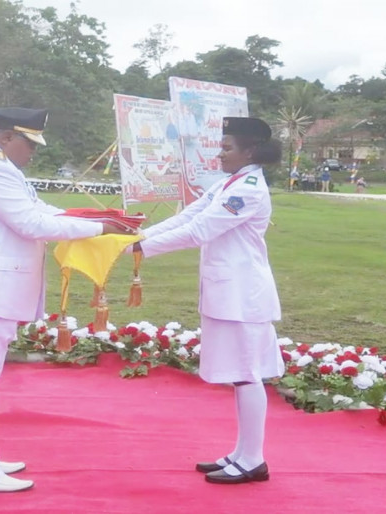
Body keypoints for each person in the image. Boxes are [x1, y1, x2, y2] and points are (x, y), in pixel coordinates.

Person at [0, 107, 132, 493]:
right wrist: (98, 227)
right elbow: (31, 223)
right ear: (8, 137)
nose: (34, 151)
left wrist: (93, 218)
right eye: (30, 143)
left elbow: (39, 210)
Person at [132, 117, 284, 485]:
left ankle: (253, 459)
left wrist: (141, 247)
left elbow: (201, 231)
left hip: (243, 297)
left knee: (248, 375)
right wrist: (137, 234)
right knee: (241, 375)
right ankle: (241, 452)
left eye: (227, 147)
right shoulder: (230, 183)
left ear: (250, 151)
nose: (219, 154)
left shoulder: (247, 188)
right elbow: (189, 215)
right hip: (228, 293)